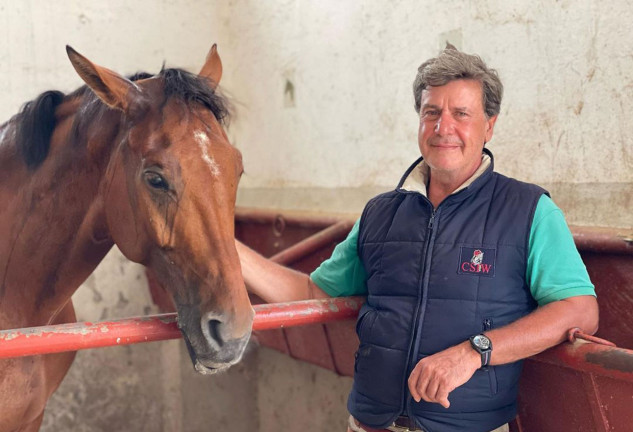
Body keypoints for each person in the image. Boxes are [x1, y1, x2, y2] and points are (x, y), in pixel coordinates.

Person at [236, 44, 599, 432]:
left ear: (489, 125)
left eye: (461, 114)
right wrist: (228, 250)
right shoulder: (381, 213)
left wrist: (474, 352)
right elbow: (313, 294)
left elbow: (579, 309)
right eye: (431, 113)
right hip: (370, 424)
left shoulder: (528, 209)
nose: (444, 128)